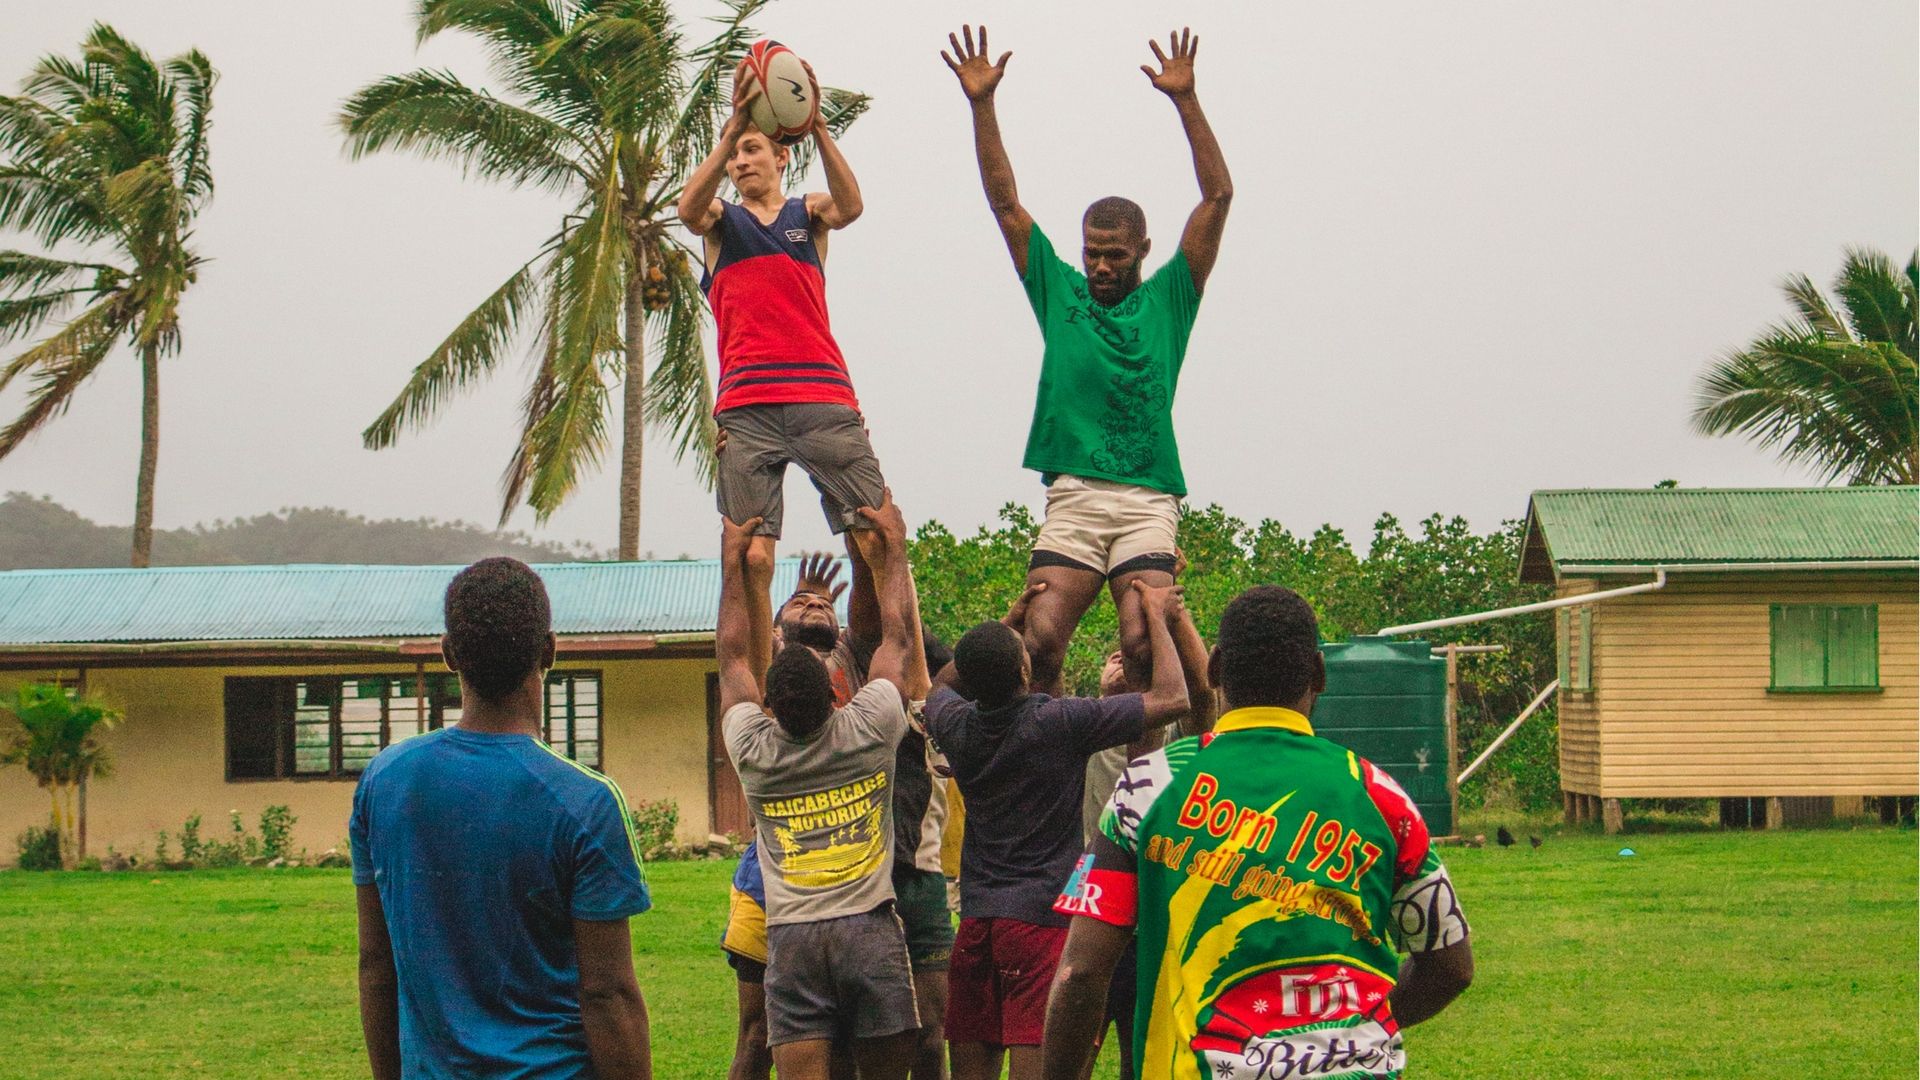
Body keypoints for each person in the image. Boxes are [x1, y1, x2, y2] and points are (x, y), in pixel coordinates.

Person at [1043, 587, 1475, 1080]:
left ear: (1215, 668)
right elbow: (1451, 966)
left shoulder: (1148, 788)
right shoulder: (1382, 797)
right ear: (1319, 675)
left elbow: (1082, 973)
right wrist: (1360, 1024)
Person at [941, 24, 1232, 698]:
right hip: (1073, 497)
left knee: (1142, 640)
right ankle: (1048, 769)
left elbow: (1217, 198)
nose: (1100, 266)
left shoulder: (1171, 299)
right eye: (1092, 253)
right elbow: (1005, 203)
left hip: (1146, 498)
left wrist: (1185, 101)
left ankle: (1147, 784)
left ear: (1142, 251)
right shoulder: (1060, 292)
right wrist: (982, 105)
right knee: (1038, 639)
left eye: (1115, 255)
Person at [352, 558, 653, 1079]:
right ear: (549, 651)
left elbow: (377, 966)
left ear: (449, 655)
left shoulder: (384, 782)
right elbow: (608, 994)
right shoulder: (586, 801)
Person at [926, 580, 1193, 1080]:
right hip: (1040, 924)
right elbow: (1174, 698)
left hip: (977, 922)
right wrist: (1156, 615)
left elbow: (939, 686)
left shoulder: (955, 726)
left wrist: (1007, 622)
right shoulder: (1059, 722)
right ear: (1025, 669)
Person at [680, 67, 889, 692]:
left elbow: (851, 205)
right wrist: (729, 132)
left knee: (879, 536)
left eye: (753, 150)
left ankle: (908, 686)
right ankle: (770, 694)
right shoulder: (722, 222)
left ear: (780, 156)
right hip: (747, 405)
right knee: (751, 555)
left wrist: (819, 123)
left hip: (821, 394)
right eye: (735, 153)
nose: (742, 161)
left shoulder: (808, 214)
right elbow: (688, 209)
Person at [719, 558, 955, 1080]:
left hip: (851, 888)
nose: (814, 604)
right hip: (777, 880)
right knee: (756, 1034)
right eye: (800, 602)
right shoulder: (778, 662)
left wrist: (746, 561)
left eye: (825, 604)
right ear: (775, 632)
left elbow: (879, 633)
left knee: (860, 1037)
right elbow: (747, 649)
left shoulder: (850, 657)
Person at [1074, 608, 1216, 1080]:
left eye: (1132, 665)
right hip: (1092, 914)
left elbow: (1203, 700)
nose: (1120, 666)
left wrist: (1173, 614)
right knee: (1077, 1048)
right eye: (1113, 660)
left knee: (1143, 1054)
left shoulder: (1172, 742)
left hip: (1152, 922)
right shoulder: (1080, 729)